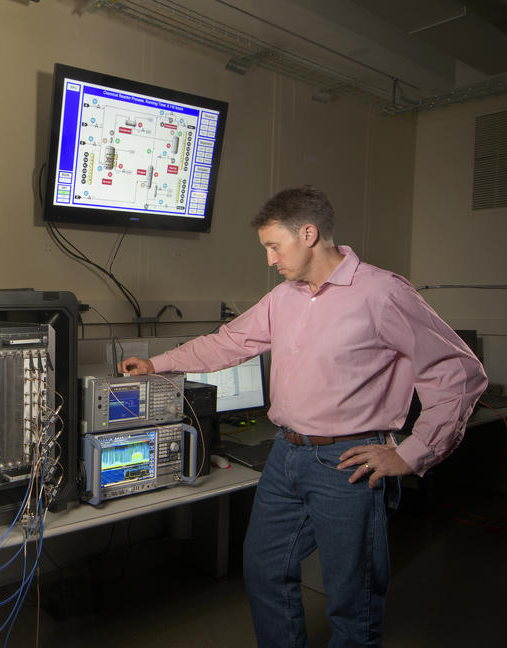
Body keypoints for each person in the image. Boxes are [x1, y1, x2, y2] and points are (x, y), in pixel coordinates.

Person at [118, 186, 487, 648]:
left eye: (275, 246)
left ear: (308, 233)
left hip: (348, 463)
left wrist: (412, 453)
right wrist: (159, 363)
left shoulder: (382, 292)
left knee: (354, 599)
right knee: (265, 570)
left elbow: (459, 372)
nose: (270, 259)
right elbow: (230, 341)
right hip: (286, 456)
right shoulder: (284, 298)